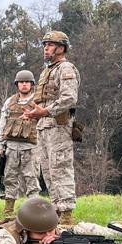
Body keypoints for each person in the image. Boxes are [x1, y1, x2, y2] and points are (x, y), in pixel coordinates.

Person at [23, 30, 79, 225]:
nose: (46, 48)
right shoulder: (47, 71)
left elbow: (69, 98)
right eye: (45, 45)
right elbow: (42, 100)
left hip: (59, 126)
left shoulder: (66, 69)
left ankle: (67, 213)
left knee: (60, 167)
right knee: (47, 170)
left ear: (61, 48)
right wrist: (32, 113)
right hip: (44, 127)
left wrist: (44, 112)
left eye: (50, 45)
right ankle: (56, 210)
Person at [0, 69, 41, 217]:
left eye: (27, 82)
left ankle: (34, 210)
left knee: (31, 178)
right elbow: (2, 124)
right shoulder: (10, 102)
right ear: (17, 84)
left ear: (32, 84)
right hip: (11, 147)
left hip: (31, 147)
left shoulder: (38, 102)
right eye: (21, 82)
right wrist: (0, 144)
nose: (24, 85)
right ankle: (8, 209)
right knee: (10, 178)